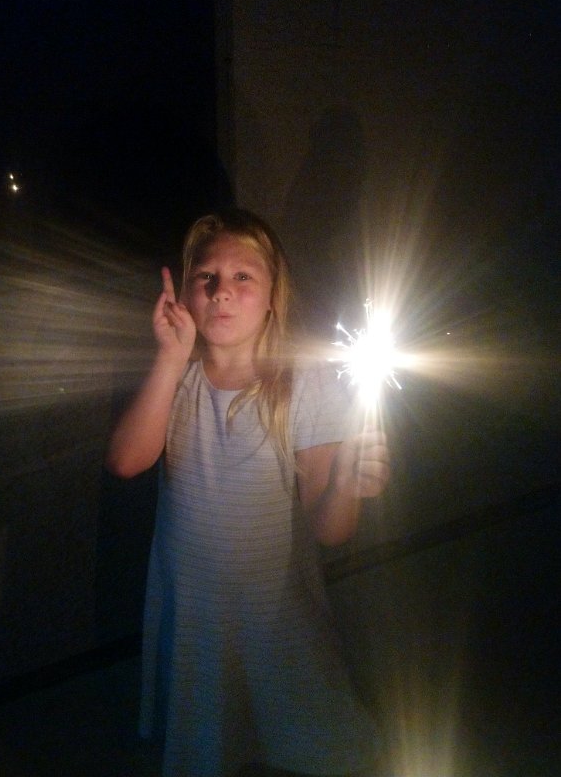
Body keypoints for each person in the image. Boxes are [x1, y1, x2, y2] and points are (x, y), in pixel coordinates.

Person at [106, 208, 391, 777]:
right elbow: (126, 461)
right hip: (195, 612)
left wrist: (345, 485)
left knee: (294, 730)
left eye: (243, 277)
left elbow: (332, 530)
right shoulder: (177, 378)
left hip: (277, 615)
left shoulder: (304, 385)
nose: (221, 291)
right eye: (206, 276)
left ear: (272, 297)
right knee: (210, 738)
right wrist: (169, 357)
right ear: (183, 291)